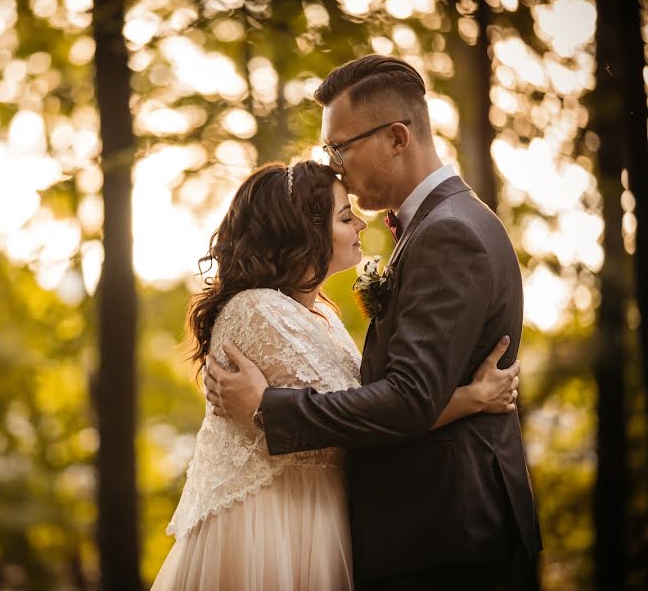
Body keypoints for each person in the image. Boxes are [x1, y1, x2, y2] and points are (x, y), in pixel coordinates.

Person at [204, 55, 542, 591]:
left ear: (397, 138)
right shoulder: (436, 226)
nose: (333, 165)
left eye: (339, 146)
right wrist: (473, 398)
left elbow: (409, 398)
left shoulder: (448, 233)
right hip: (430, 532)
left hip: (441, 534)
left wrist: (267, 408)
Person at [152, 158, 521, 590]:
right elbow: (366, 419)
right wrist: (472, 398)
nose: (362, 225)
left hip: (316, 513)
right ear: (302, 233)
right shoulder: (257, 309)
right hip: (272, 525)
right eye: (346, 217)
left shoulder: (319, 315)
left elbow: (365, 404)